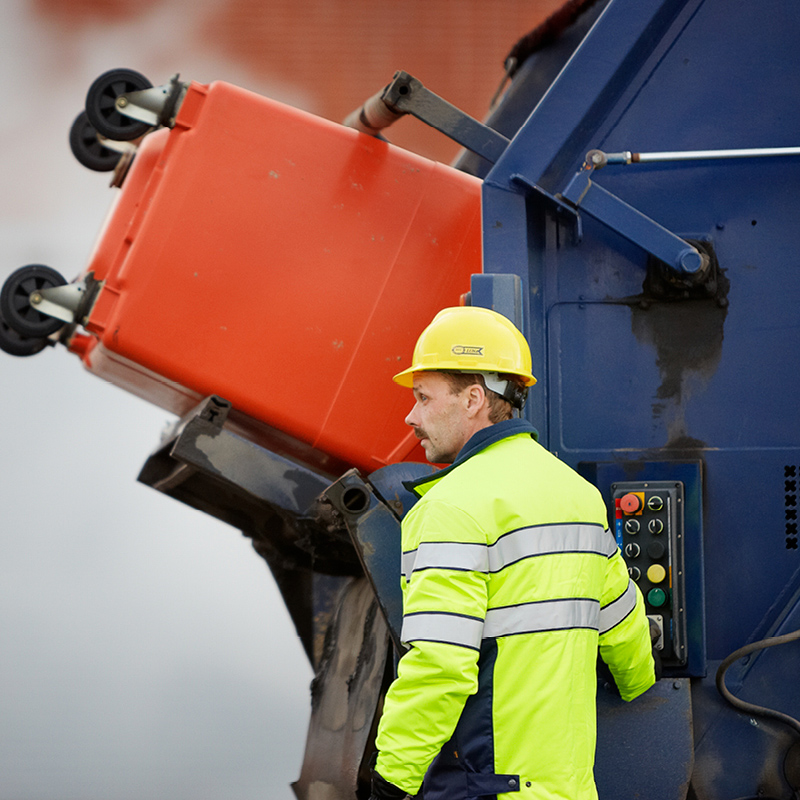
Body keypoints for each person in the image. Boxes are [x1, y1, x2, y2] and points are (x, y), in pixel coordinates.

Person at [370, 306, 656, 800]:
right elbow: (625, 627)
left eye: (423, 397)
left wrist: (391, 780)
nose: (410, 415)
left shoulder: (450, 508)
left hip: (484, 784)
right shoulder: (577, 495)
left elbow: (440, 662)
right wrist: (636, 683)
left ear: (474, 398)